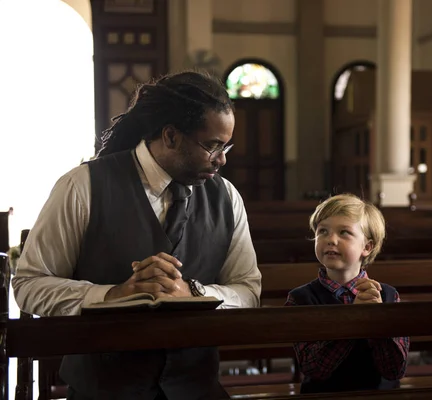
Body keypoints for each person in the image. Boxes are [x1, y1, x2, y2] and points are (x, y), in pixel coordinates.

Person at [12, 70, 262, 399]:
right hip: (103, 391)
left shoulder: (227, 198)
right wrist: (112, 295)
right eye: (211, 146)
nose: (222, 159)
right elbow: (29, 285)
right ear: (171, 136)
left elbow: (248, 291)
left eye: (225, 146)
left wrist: (193, 293)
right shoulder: (82, 186)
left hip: (197, 389)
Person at [284, 193, 409, 394]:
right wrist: (354, 318)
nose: (331, 240)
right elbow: (314, 368)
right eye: (323, 231)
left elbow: (394, 370)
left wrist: (378, 319)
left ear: (367, 247)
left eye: (344, 232)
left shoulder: (387, 296)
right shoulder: (301, 299)